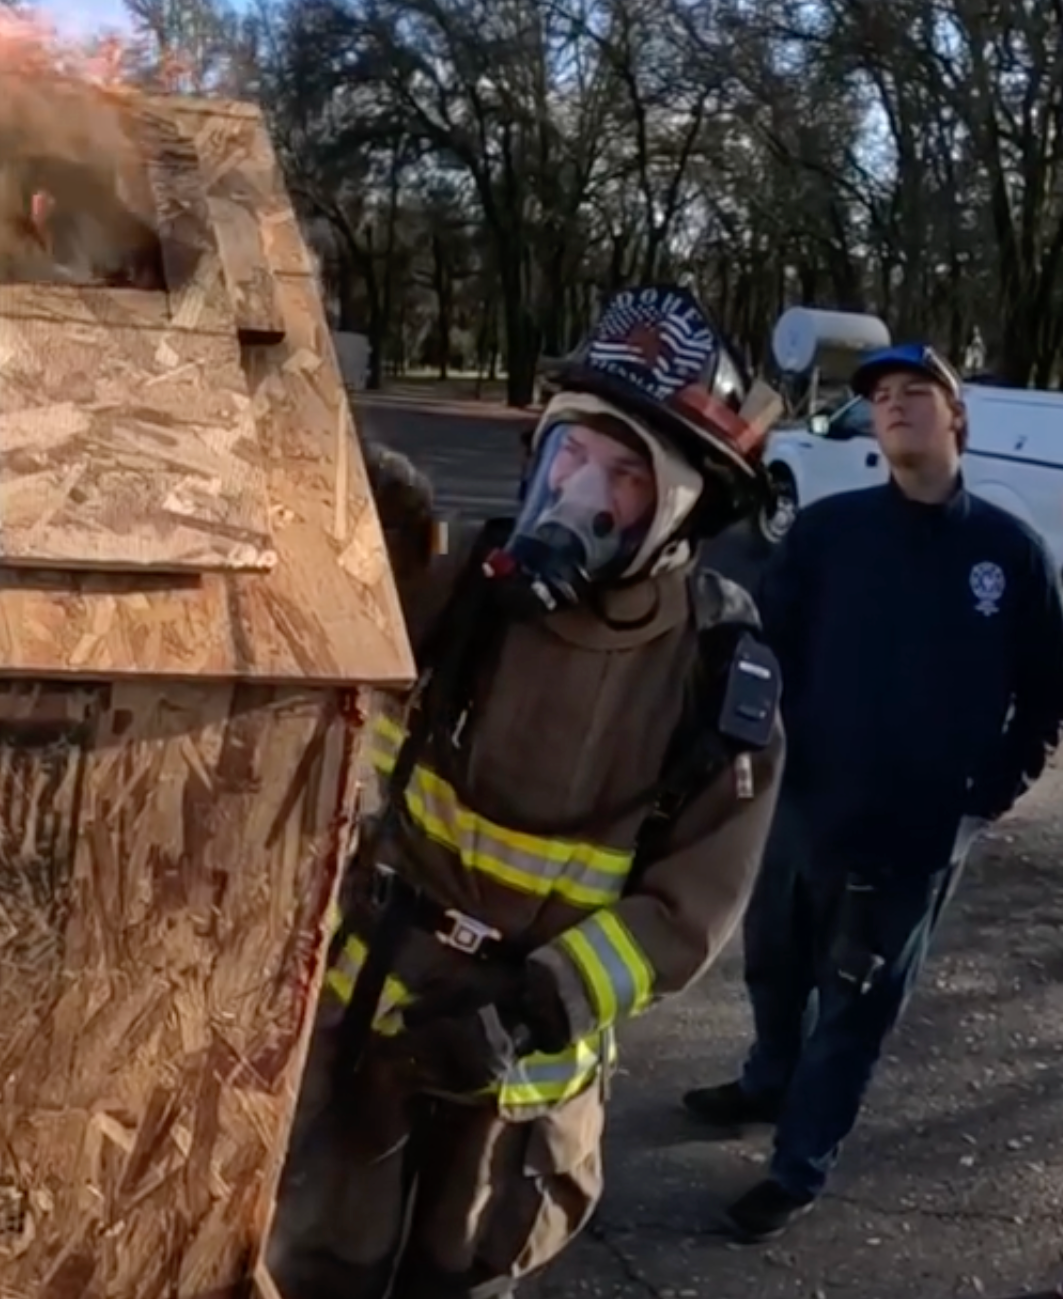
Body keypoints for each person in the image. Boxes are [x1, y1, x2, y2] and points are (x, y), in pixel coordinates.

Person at [268, 284, 790, 1299]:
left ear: (683, 509)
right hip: (370, 1023)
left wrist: (532, 1003)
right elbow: (329, 692)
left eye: (625, 472)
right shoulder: (461, 584)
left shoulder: (719, 674)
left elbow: (690, 912)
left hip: (517, 1078)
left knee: (462, 1278)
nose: (580, 489)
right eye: (571, 451)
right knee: (307, 1267)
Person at [681, 342, 1063, 1241]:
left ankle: (798, 1165)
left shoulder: (1008, 555)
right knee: (774, 965)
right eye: (881, 396)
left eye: (914, 392)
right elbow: (767, 651)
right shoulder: (830, 531)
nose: (892, 406)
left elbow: (1046, 693)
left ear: (955, 418)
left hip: (916, 831)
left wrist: (987, 793)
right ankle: (768, 1080)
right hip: (803, 803)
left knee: (854, 1005)